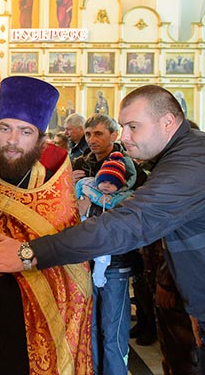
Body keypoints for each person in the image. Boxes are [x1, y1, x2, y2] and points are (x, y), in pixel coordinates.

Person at [0, 85, 205, 374]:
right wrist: (203, 311)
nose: (124, 136)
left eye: (133, 127)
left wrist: (27, 253)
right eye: (123, 126)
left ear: (167, 122)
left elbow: (126, 225)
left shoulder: (194, 165)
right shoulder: (188, 155)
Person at [0, 76, 92, 375]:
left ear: (41, 139)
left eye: (25, 131)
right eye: (5, 128)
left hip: (24, 332)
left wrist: (3, 306)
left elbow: (69, 276)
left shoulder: (53, 190)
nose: (12, 140)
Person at [76, 150, 138, 375]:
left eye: (112, 183)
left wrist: (91, 210)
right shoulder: (86, 187)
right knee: (89, 326)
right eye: (104, 181)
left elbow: (123, 224)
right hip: (89, 261)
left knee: (113, 329)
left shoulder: (129, 197)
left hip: (116, 265)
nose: (107, 187)